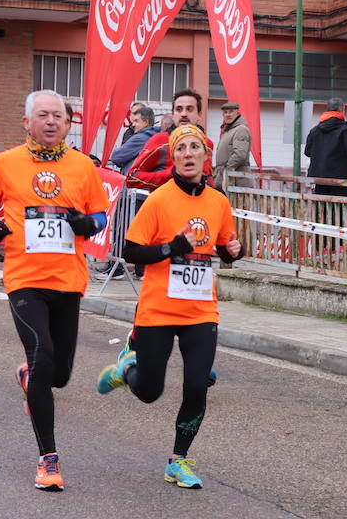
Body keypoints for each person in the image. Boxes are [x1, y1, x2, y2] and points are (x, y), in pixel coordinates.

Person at [96, 124, 244, 489]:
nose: (189, 154)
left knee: (197, 385)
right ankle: (126, 370)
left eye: (196, 147)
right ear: (174, 157)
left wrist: (234, 252)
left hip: (200, 312)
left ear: (205, 156)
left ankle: (179, 460)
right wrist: (171, 248)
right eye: (182, 149)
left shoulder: (218, 202)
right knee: (149, 392)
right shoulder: (159, 199)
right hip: (158, 311)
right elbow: (131, 250)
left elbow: (224, 248)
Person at [0, 89, 109, 491]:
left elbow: (100, 212)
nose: (51, 122)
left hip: (68, 280)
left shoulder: (83, 166)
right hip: (24, 278)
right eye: (44, 115)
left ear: (68, 124)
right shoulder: (6, 162)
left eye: (58, 116)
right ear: (27, 122)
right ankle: (48, 460)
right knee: (43, 355)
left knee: (60, 375)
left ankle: (28, 376)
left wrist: (90, 224)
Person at [304, 98, 347, 196]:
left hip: (319, 178)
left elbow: (307, 152)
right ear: (342, 110)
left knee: (321, 207)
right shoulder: (346, 129)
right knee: (338, 208)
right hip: (340, 178)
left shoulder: (315, 130)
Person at [212, 101, 254, 190]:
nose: (228, 114)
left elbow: (240, 154)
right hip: (228, 180)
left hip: (238, 182)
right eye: (225, 112)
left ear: (237, 113)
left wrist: (225, 169)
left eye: (231, 111)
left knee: (236, 204)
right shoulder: (228, 131)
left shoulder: (241, 129)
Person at [110, 106, 158, 175]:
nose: (133, 125)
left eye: (136, 121)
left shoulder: (140, 138)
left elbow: (116, 156)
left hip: (132, 181)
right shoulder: (155, 136)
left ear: (146, 122)